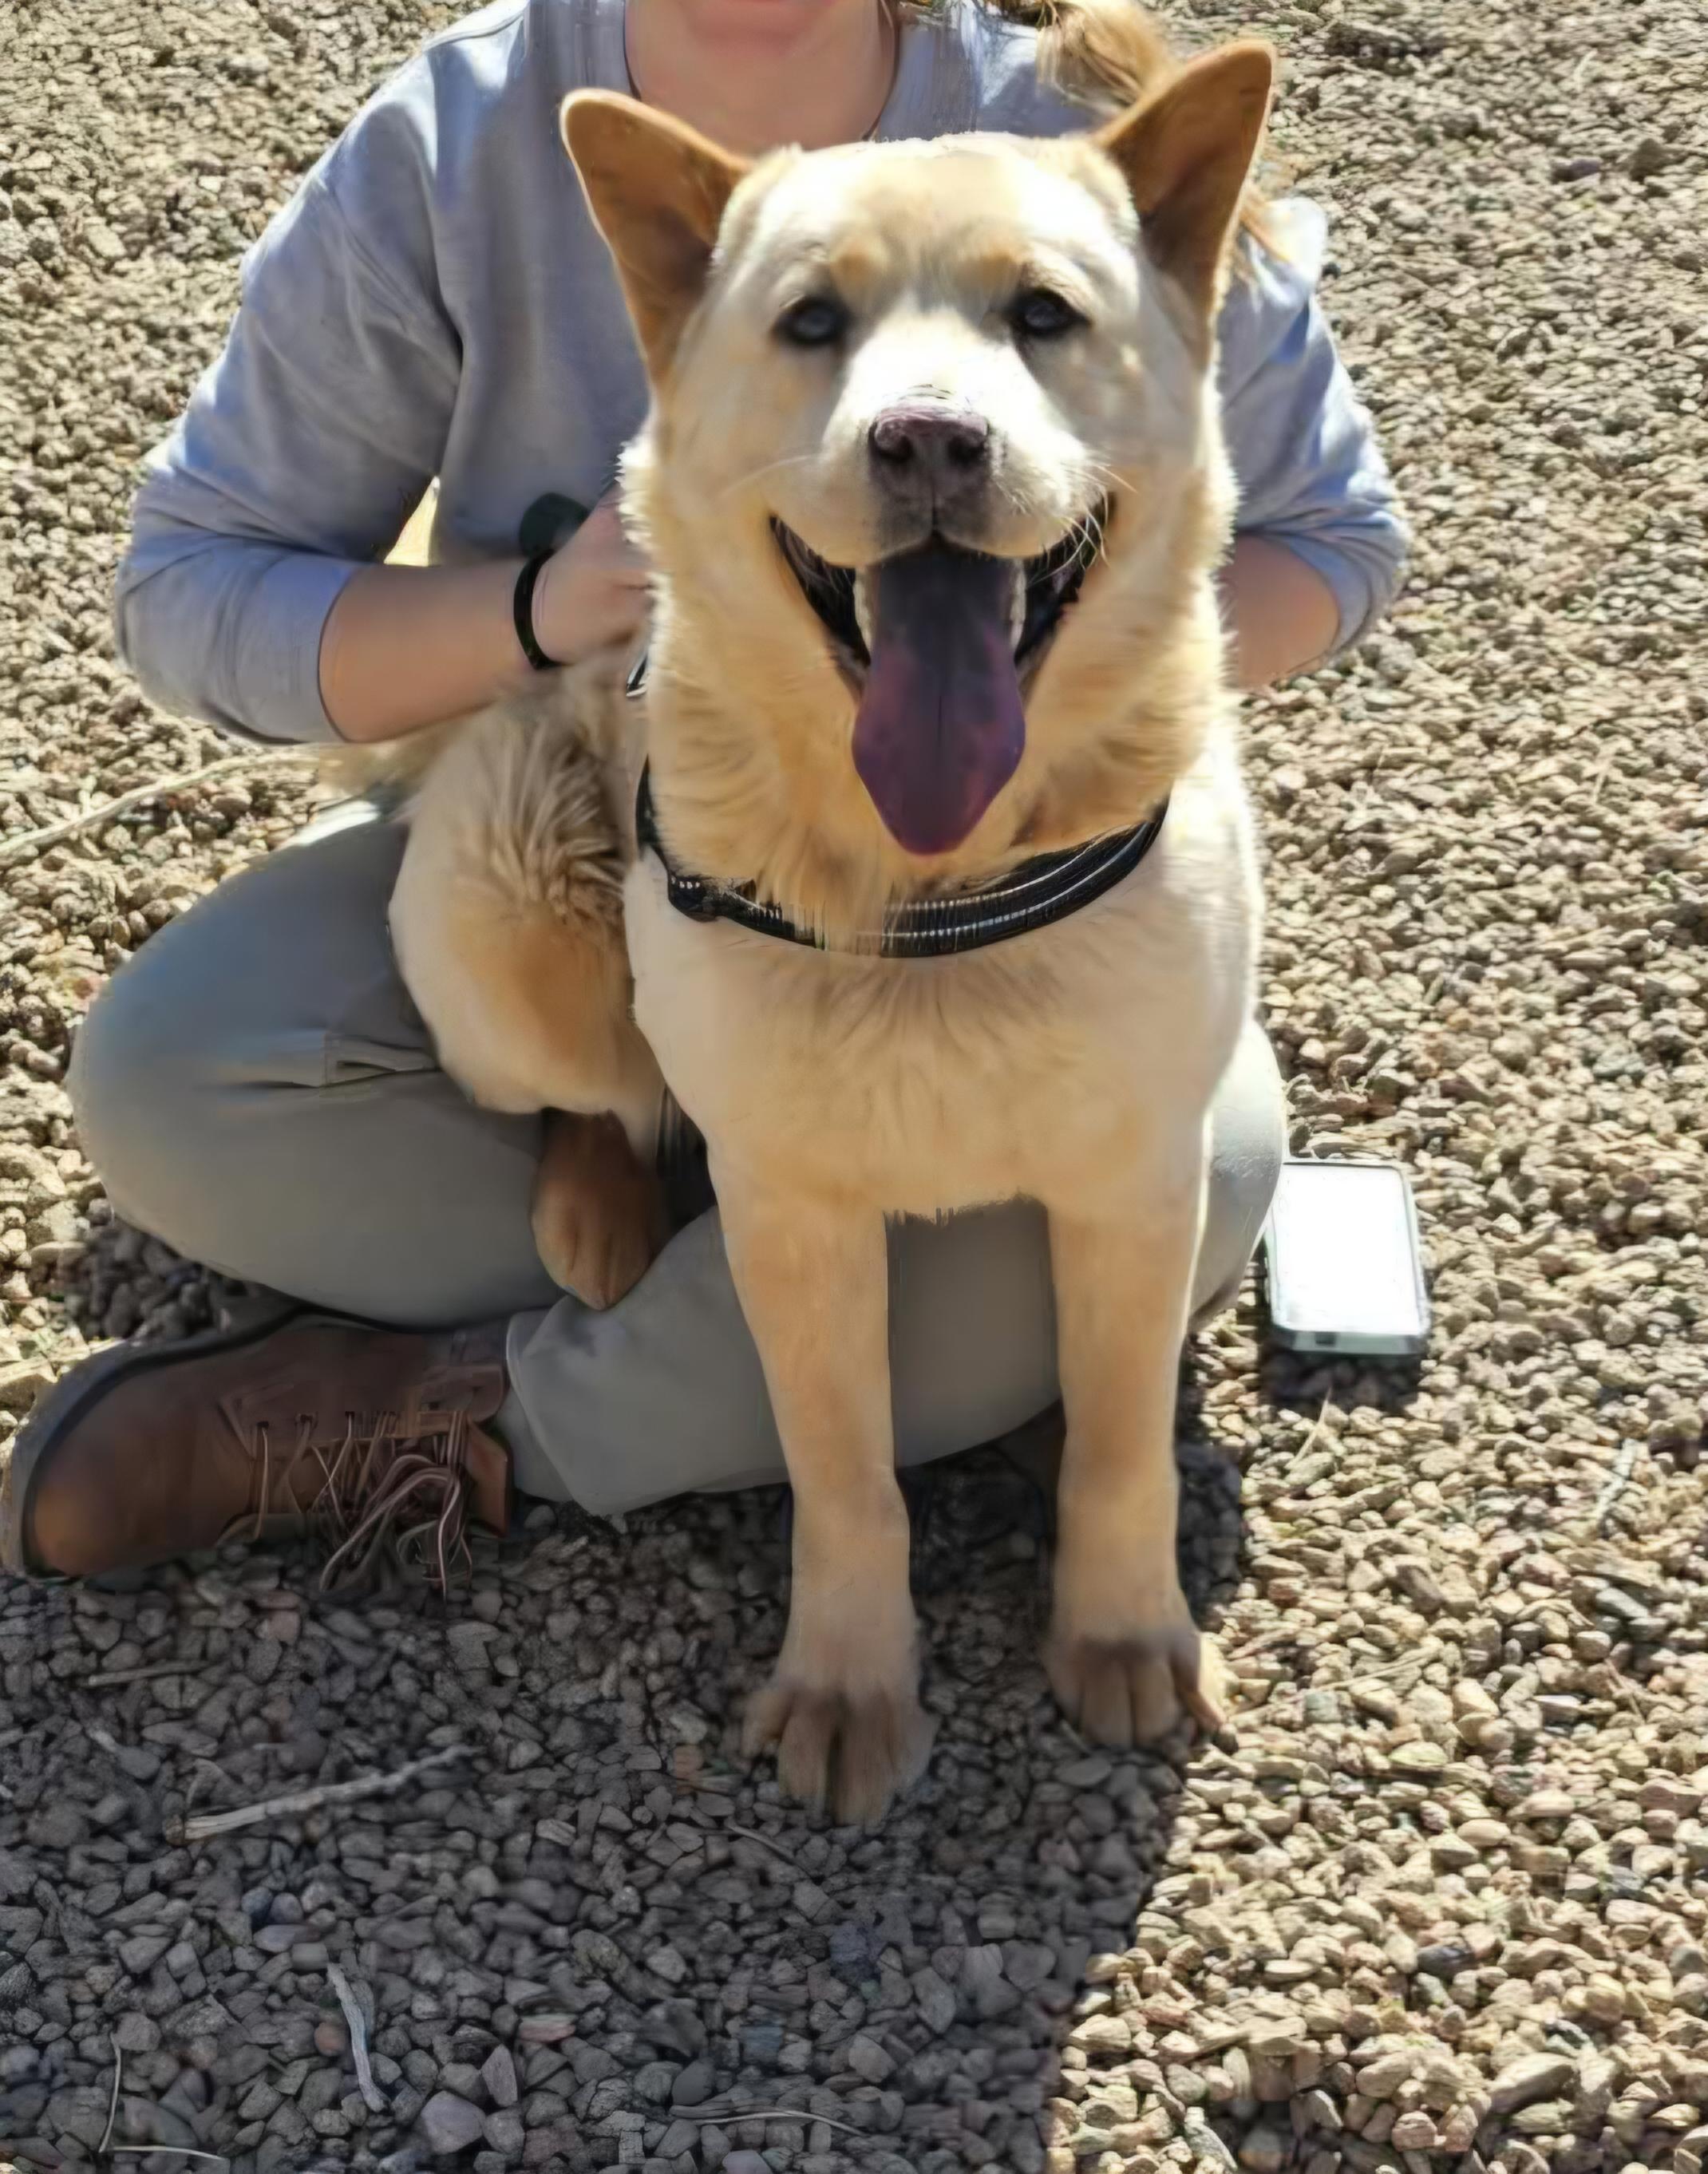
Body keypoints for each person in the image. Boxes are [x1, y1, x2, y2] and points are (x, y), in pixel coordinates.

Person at [0, 0, 1408, 1585]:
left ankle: (462, 1414)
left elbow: (1334, 537)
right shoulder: (459, 135)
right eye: (813, 324)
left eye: (1026, 319)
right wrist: (546, 609)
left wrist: (1058, 687)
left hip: (1037, 923)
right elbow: (190, 589)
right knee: (170, 1085)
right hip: (595, 832)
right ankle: (755, 1239)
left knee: (1197, 1188)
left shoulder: (1070, 114)